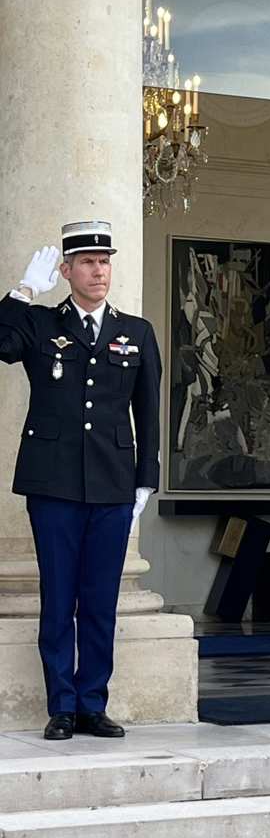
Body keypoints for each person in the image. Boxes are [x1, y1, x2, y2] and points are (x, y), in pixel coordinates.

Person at [0, 222, 161, 740]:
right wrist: (21, 293)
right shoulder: (40, 323)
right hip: (53, 484)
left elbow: (149, 409)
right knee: (58, 597)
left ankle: (93, 703)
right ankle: (61, 706)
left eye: (105, 261)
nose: (99, 270)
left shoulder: (136, 332)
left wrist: (146, 479)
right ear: (66, 271)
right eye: (87, 262)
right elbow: (2, 345)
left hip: (114, 483)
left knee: (99, 600)